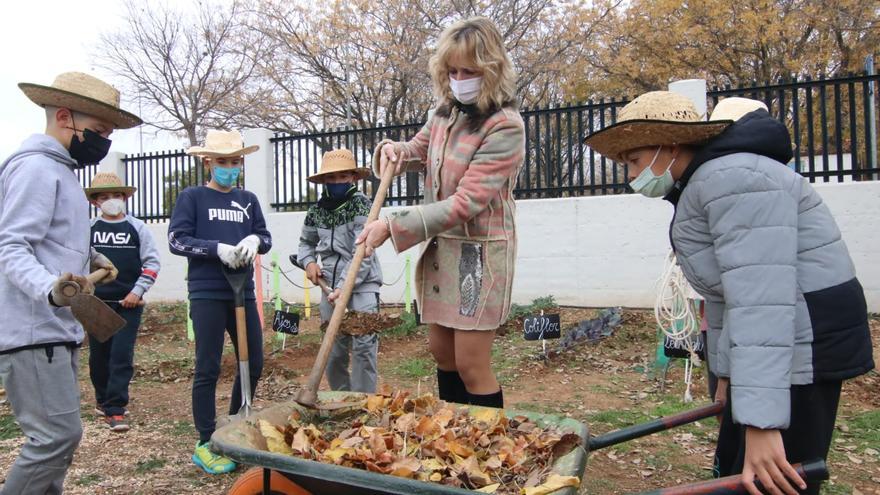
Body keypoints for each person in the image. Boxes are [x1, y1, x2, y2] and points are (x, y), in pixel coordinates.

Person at [584, 91, 874, 495]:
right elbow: (725, 295)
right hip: (780, 340)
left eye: (633, 160)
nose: (630, 174)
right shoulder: (704, 182)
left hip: (805, 339)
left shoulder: (733, 181)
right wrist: (726, 376)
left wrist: (763, 423)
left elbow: (761, 301)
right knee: (737, 472)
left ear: (668, 145)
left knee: (773, 479)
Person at [357, 17, 525, 408]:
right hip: (443, 250)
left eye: (469, 70)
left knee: (470, 363)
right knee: (442, 352)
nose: (459, 78)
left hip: (477, 255)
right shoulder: (445, 114)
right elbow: (417, 149)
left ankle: (485, 448)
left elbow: (467, 202)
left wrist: (392, 225)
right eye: (452, 70)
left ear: (491, 70)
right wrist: (393, 150)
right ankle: (453, 433)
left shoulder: (505, 126)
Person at [0, 71, 139, 493]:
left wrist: (93, 257)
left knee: (59, 441)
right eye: (99, 131)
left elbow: (51, 240)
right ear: (64, 116)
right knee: (54, 439)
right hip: (32, 330)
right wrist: (49, 288)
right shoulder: (37, 169)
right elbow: (11, 246)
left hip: (54, 329)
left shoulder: (62, 172)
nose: (104, 142)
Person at [167, 130, 272, 474]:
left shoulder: (248, 200)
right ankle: (205, 440)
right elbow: (177, 240)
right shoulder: (192, 197)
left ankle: (234, 426)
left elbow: (266, 237)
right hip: (208, 290)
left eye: (234, 161)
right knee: (208, 365)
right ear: (207, 162)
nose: (229, 168)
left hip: (242, 291)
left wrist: (256, 239)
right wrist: (216, 249)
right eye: (222, 162)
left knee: (252, 361)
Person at [297, 149, 382, 393]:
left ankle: (363, 402)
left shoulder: (363, 205)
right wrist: (309, 262)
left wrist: (343, 287)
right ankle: (341, 399)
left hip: (363, 284)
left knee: (364, 347)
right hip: (329, 287)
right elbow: (306, 243)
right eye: (331, 178)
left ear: (353, 178)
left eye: (342, 177)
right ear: (324, 181)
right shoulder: (316, 211)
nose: (336, 183)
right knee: (333, 350)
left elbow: (363, 252)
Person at [85, 172, 161, 432]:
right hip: (96, 304)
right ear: (95, 202)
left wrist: (137, 292)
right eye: (104, 197)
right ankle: (103, 398)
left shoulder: (137, 228)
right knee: (99, 356)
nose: (111, 201)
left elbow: (151, 263)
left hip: (129, 303)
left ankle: (116, 408)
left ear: (125, 197)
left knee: (121, 355)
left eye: (116, 195)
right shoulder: (88, 230)